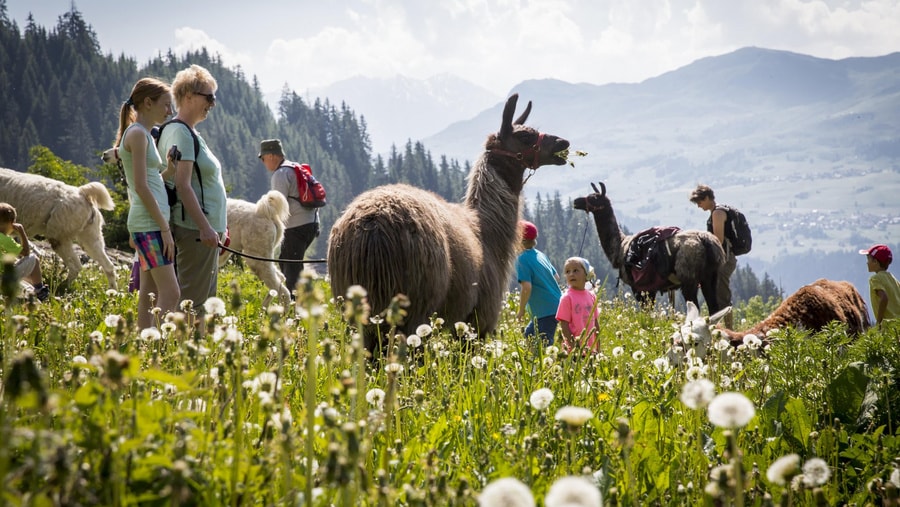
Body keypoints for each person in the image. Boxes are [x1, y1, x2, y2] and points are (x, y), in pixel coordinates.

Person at [155, 65, 227, 317]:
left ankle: (193, 340)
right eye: (209, 97)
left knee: (201, 300)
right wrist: (206, 227)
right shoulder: (182, 133)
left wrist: (217, 226)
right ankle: (187, 342)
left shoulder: (185, 131)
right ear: (188, 96)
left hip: (203, 229)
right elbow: (183, 185)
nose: (212, 104)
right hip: (196, 230)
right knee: (194, 303)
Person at [114, 77, 180, 329]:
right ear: (148, 103)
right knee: (171, 293)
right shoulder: (138, 134)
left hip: (149, 222)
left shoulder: (142, 134)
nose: (170, 111)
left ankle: (144, 343)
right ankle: (159, 345)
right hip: (150, 224)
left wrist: (169, 171)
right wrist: (165, 228)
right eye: (166, 105)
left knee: (149, 293)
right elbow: (141, 186)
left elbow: (148, 180)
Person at [258, 139, 320, 295]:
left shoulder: (280, 174)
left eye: (263, 158)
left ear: (271, 156)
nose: (263, 163)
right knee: (286, 261)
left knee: (291, 268)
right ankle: (298, 298)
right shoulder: (295, 168)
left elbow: (277, 205)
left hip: (296, 227)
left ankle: (296, 304)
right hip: (311, 223)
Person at [689, 184, 736, 327]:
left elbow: (718, 241)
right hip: (725, 258)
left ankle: (728, 330)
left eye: (699, 202)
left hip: (724, 259)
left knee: (721, 296)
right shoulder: (718, 212)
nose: (698, 206)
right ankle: (722, 328)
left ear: (707, 198)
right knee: (719, 295)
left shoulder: (717, 213)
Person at [515, 220, 561, 347]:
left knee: (543, 344)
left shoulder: (522, 259)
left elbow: (527, 287)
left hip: (546, 310)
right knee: (529, 335)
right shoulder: (541, 255)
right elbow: (556, 277)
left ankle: (548, 360)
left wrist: (521, 310)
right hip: (554, 305)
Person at [0, 202, 50, 301]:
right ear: (11, 222)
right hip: (3, 278)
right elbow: (26, 252)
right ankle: (40, 290)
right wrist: (22, 232)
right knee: (33, 259)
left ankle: (29, 293)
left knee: (28, 287)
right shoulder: (5, 239)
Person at [556, 256, 601, 353]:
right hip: (573, 351)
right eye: (567, 272)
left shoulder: (592, 296)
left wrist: (598, 347)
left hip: (591, 350)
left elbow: (596, 324)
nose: (571, 274)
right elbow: (564, 326)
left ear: (586, 275)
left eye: (575, 270)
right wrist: (574, 348)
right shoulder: (566, 298)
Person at [859, 244, 900, 325]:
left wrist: (879, 322)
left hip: (888, 325)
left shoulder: (875, 279)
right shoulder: (893, 279)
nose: (867, 262)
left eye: (868, 259)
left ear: (875, 262)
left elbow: (884, 298)